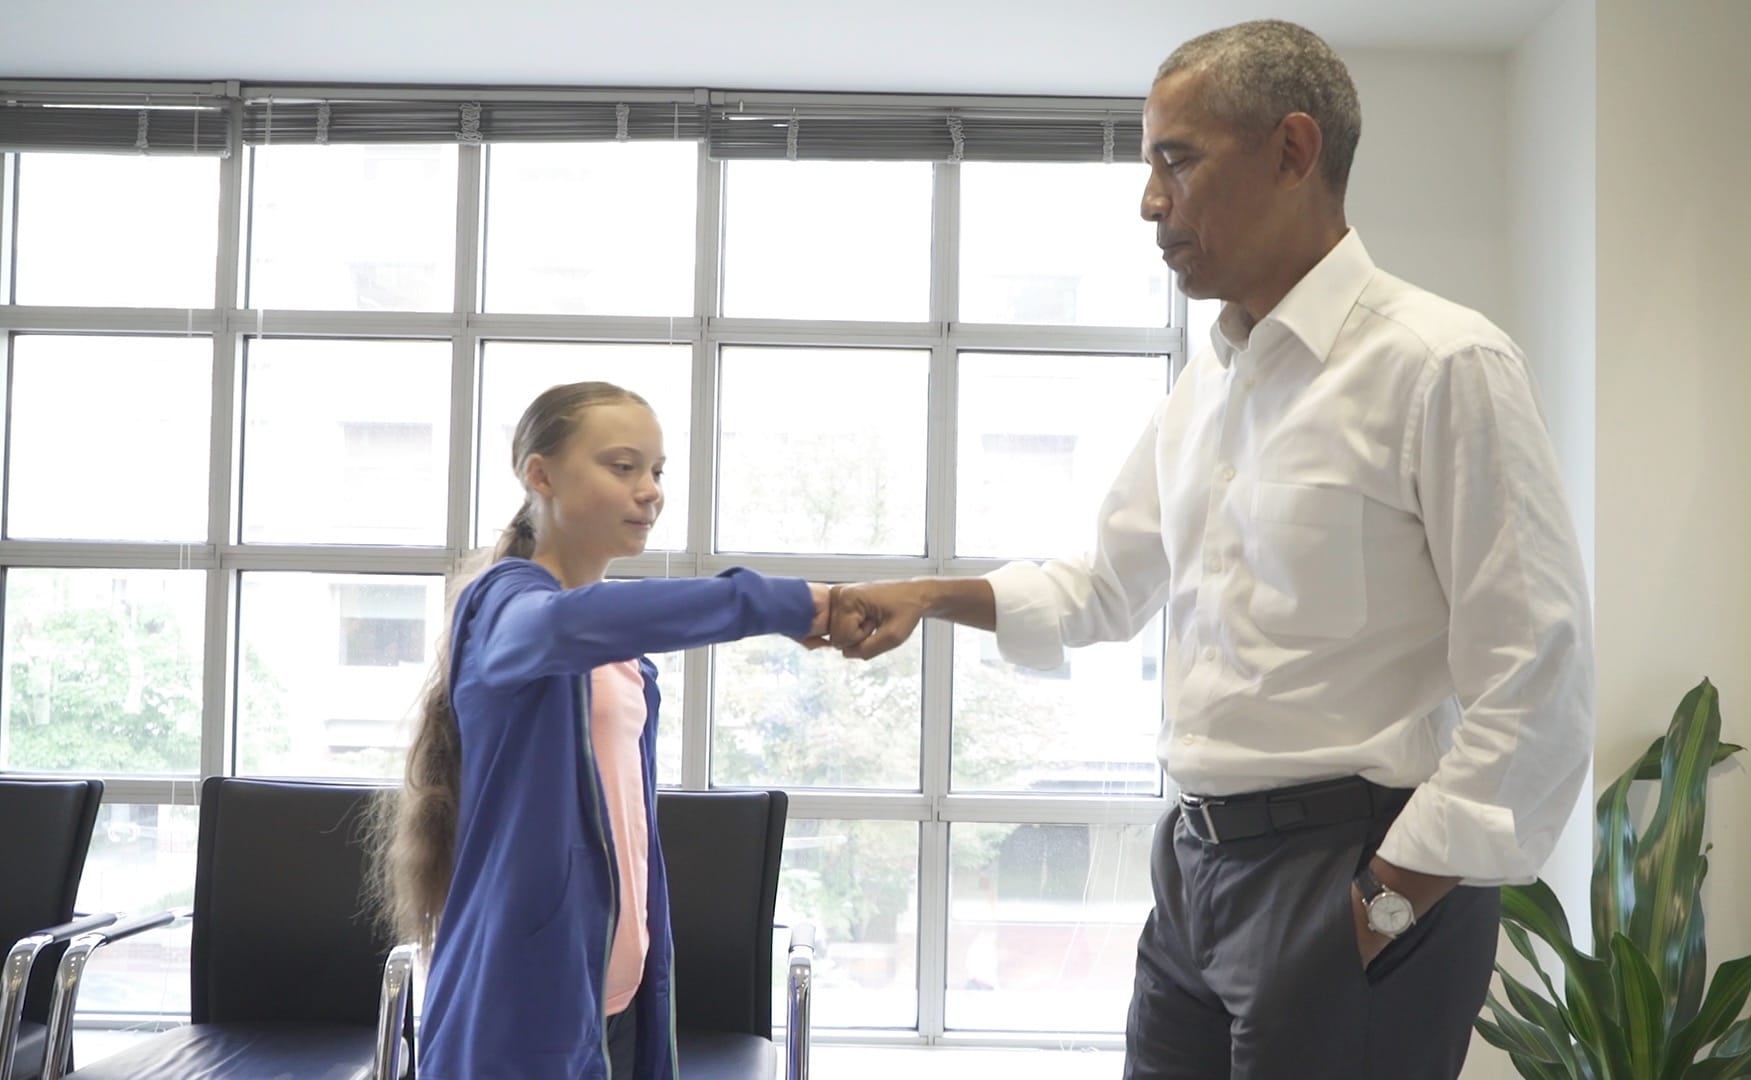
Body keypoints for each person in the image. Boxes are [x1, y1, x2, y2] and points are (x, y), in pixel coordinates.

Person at [827, 20, 1594, 1079]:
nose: (1151, 201)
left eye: (1175, 161)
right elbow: (1104, 588)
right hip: (1194, 871)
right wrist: (928, 594)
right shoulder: (1213, 379)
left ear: (1291, 151)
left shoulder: (1441, 364)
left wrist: (1386, 901)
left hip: (1350, 872)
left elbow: (1537, 673)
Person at [372, 381, 831, 1079]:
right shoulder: (506, 606)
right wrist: (782, 604)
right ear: (541, 474)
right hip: (527, 1006)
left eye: (657, 471)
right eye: (623, 467)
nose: (650, 491)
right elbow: (564, 628)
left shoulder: (619, 652)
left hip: (616, 998)